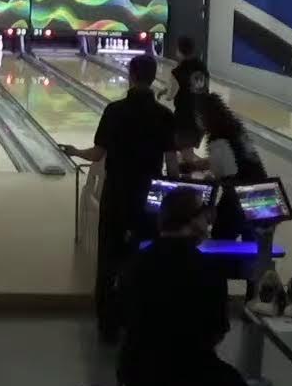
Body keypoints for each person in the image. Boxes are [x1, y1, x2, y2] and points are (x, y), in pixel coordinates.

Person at [118, 188, 254, 386]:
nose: (209, 222)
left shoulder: (134, 263)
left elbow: (123, 317)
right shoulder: (209, 270)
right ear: (193, 223)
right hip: (182, 374)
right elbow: (216, 333)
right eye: (205, 216)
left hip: (133, 370)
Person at [62, 54, 178, 342]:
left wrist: (75, 152)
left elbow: (97, 154)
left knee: (109, 257)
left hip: (118, 192)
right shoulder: (165, 116)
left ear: (131, 74)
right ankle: (137, 316)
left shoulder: (114, 111)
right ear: (154, 77)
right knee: (143, 255)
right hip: (149, 195)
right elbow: (172, 166)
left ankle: (107, 322)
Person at [186, 93, 268, 240]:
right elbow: (226, 159)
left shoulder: (217, 139)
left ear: (204, 117)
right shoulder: (234, 129)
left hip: (241, 195)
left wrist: (210, 207)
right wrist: (194, 166)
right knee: (251, 246)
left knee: (220, 237)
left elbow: (229, 178)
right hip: (261, 191)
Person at [170, 36, 209, 156]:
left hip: (185, 118)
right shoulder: (202, 67)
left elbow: (170, 95)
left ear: (179, 51)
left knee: (185, 152)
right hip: (201, 116)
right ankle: (188, 170)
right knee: (187, 149)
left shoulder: (177, 71)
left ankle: (190, 172)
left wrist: (165, 92)